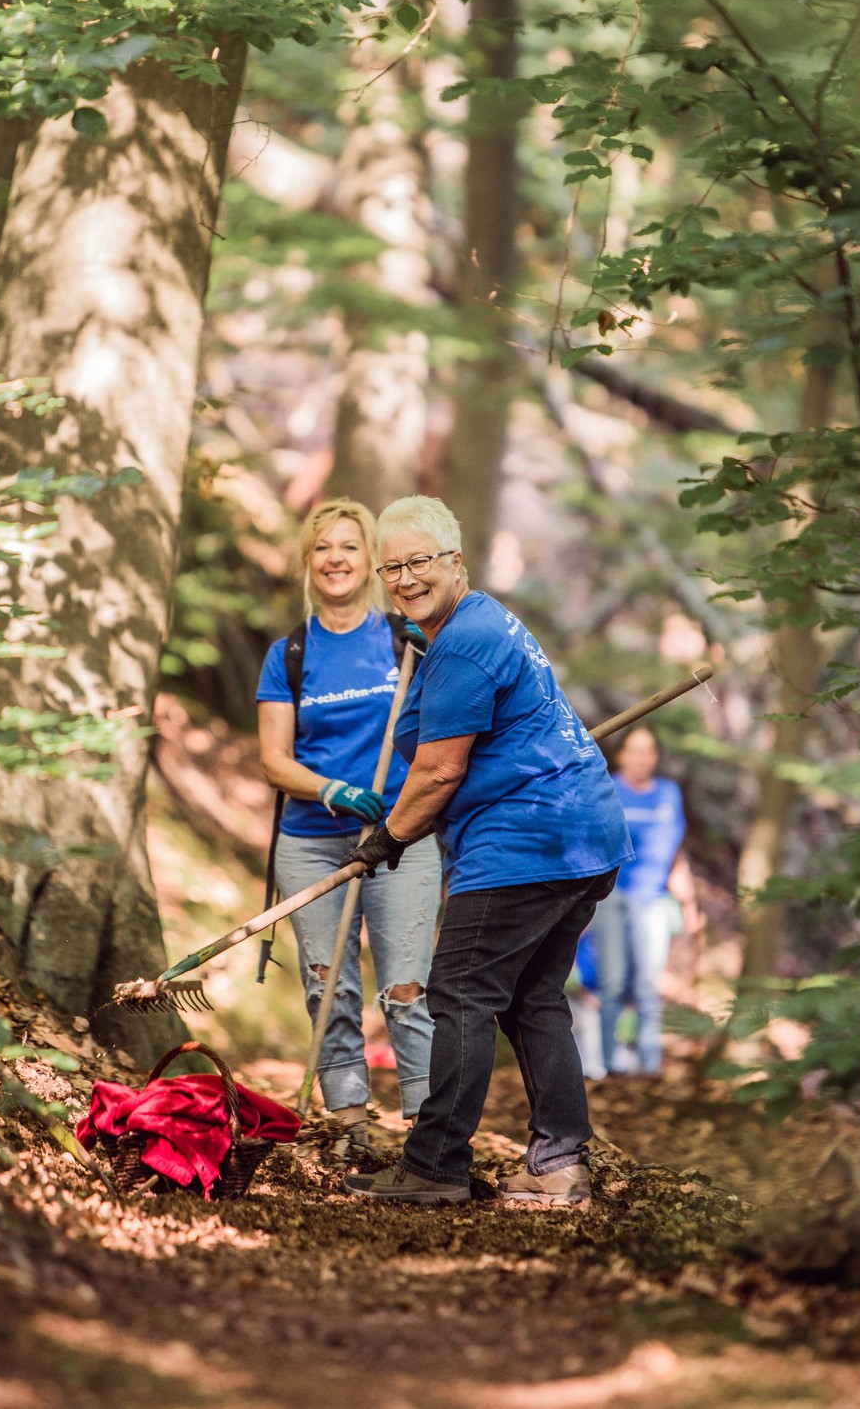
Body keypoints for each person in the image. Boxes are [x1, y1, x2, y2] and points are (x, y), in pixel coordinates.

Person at [339, 495, 632, 1208]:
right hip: (583, 837)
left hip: (529, 839)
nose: (406, 579)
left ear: (456, 562)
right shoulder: (473, 628)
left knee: (462, 991)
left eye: (421, 562)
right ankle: (559, 1163)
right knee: (532, 998)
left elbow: (440, 769)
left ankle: (435, 1164)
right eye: (393, 568)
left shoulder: (466, 641)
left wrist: (388, 838)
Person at [256, 498, 442, 1147]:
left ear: (370, 562)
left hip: (401, 836)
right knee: (327, 986)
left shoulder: (403, 639)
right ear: (309, 563)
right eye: (323, 548)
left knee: (406, 988)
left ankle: (428, 1131)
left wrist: (434, 655)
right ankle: (351, 1126)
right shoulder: (291, 654)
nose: (336, 558)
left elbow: (448, 725)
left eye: (350, 546)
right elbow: (275, 760)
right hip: (311, 842)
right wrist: (333, 788)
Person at [589, 725, 698, 1078]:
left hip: (653, 899)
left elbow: (675, 852)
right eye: (634, 750)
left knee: (649, 987)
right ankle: (608, 1067)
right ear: (620, 755)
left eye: (648, 750)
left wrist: (689, 901)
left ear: (655, 756)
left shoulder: (668, 793)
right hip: (612, 896)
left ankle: (650, 1068)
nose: (641, 758)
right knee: (613, 983)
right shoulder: (608, 789)